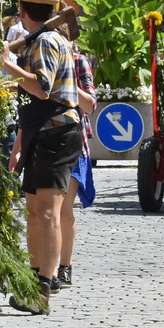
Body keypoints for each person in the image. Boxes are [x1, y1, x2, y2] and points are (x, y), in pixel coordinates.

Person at [0, 0, 78, 315]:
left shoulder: (46, 40)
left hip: (56, 132)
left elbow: (41, 89)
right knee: (34, 211)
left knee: (46, 212)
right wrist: (20, 143)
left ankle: (44, 287)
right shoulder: (42, 39)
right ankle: (34, 282)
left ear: (22, 10)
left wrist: (7, 63)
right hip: (41, 132)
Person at [57, 21, 98, 290]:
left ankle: (65, 266)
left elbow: (90, 104)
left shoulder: (78, 61)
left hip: (73, 142)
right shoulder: (41, 62)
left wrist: (67, 81)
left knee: (63, 209)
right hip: (45, 142)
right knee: (45, 211)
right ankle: (44, 269)